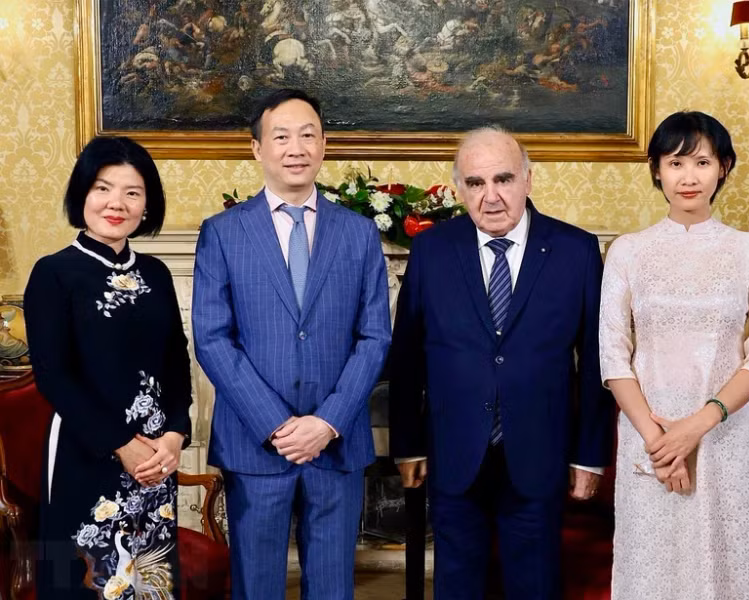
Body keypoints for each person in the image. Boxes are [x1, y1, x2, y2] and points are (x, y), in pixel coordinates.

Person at [389, 126, 614, 598]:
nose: (490, 196)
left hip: (540, 453)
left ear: (528, 180)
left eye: (503, 179)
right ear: (458, 189)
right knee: (457, 585)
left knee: (534, 584)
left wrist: (589, 457)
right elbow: (407, 356)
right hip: (454, 455)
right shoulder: (432, 249)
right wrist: (408, 445)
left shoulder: (576, 250)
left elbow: (595, 363)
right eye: (475, 183)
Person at [191, 88, 391, 599]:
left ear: (324, 145)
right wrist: (277, 425)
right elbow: (213, 338)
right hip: (256, 444)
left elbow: (374, 337)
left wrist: (326, 422)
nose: (295, 147)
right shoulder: (223, 233)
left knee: (331, 587)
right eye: (281, 136)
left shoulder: (359, 233)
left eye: (307, 135)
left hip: (336, 443)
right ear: (257, 148)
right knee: (256, 586)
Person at [599, 111, 749, 599]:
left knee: (721, 573)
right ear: (657, 169)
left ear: (722, 168)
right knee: (653, 572)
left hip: (724, 437)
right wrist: (661, 440)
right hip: (648, 436)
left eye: (701, 161)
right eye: (675, 162)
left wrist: (693, 429)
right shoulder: (628, 252)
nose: (688, 176)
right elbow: (613, 357)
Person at [24, 136, 192, 598]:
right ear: (82, 194)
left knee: (151, 578)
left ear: (146, 204)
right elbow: (53, 375)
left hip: (156, 457)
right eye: (103, 188)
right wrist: (122, 445)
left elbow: (176, 364)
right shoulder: (54, 272)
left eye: (132, 192)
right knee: (91, 580)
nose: (116, 203)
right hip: (87, 448)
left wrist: (176, 434)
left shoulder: (156, 273)